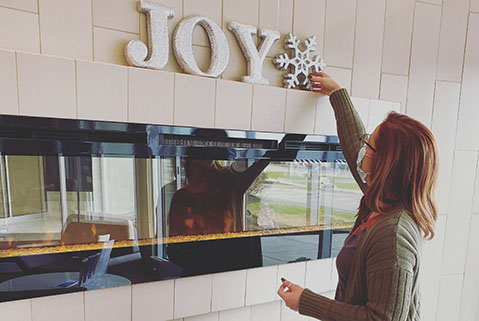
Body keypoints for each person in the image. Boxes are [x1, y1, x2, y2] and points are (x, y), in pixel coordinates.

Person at [277, 72, 438, 321]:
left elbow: (381, 319)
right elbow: (354, 147)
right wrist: (338, 94)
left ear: (385, 163)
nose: (362, 146)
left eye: (369, 144)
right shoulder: (382, 199)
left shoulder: (393, 235)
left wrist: (305, 302)